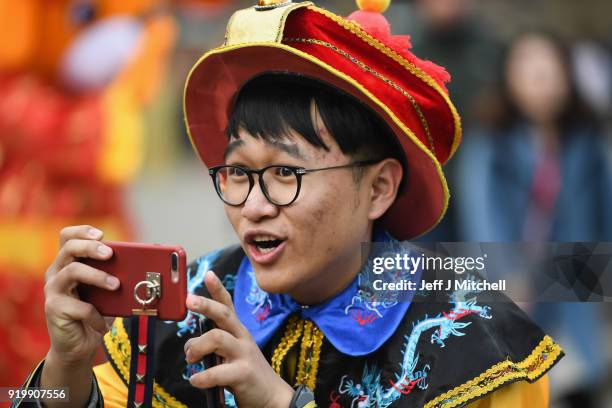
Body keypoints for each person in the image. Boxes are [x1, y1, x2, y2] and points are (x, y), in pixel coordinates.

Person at [16, 1, 563, 407]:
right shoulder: (181, 308)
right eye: (238, 173)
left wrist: (281, 402)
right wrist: (66, 364)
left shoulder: (478, 344)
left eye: (285, 173)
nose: (253, 206)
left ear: (378, 188)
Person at [454, 30, 611, 407]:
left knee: (579, 378)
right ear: (509, 78)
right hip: (516, 288)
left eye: (549, 69)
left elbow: (603, 212)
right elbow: (481, 215)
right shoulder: (491, 142)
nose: (541, 82)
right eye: (529, 69)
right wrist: (506, 274)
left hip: (576, 286)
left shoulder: (586, 141)